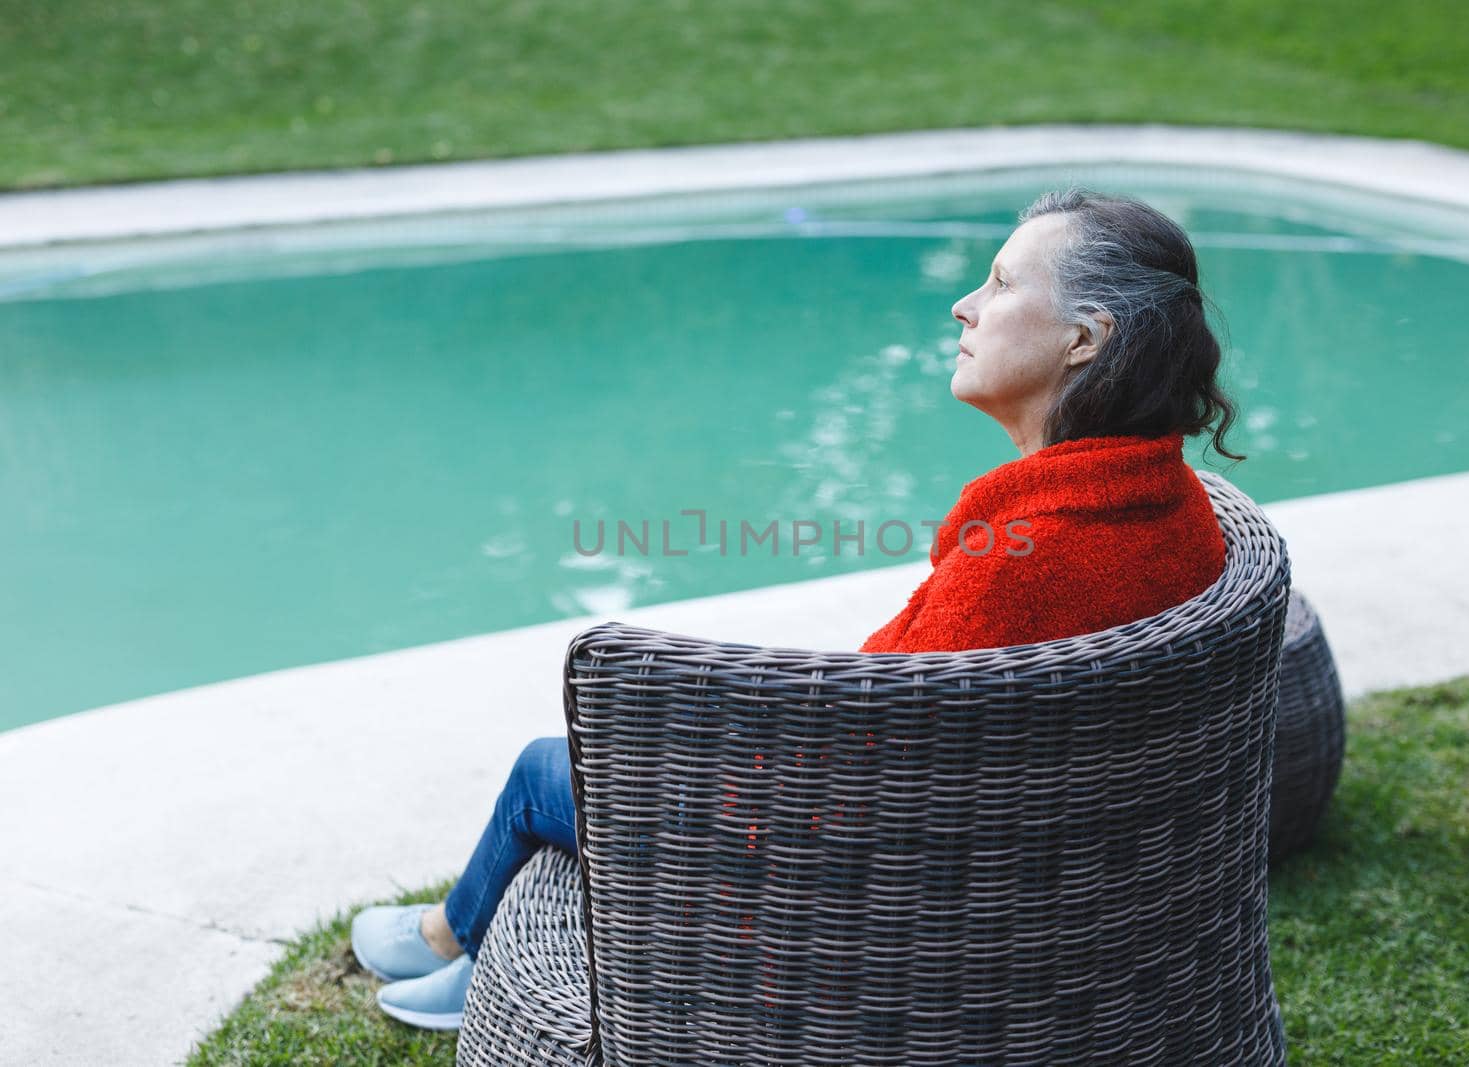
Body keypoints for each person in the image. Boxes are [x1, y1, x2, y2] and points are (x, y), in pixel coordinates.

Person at [350, 186, 1245, 1030]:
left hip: (856, 904)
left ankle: (457, 945)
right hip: (1036, 881)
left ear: (1085, 339)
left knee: (557, 765)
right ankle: (459, 943)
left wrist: (712, 749)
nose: (963, 306)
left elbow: (854, 784)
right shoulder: (1164, 509)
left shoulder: (1024, 565)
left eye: (1002, 283)